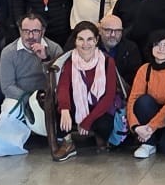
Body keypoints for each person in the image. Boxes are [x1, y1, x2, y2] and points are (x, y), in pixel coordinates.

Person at [54, 21, 125, 160]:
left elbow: (109, 96)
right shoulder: (70, 61)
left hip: (99, 107)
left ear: (96, 40)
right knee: (60, 110)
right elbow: (63, 87)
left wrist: (87, 121)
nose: (85, 44)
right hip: (78, 103)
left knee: (104, 125)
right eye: (80, 39)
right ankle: (67, 143)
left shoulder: (107, 61)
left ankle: (100, 138)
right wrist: (64, 110)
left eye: (90, 39)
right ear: (75, 41)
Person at [0, 13, 62, 142]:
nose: (30, 36)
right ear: (20, 31)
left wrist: (46, 60)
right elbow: (7, 86)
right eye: (26, 31)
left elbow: (59, 80)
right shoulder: (8, 52)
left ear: (43, 31)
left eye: (35, 31)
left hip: (47, 96)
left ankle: (58, 138)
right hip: (20, 96)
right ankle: (12, 144)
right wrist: (29, 99)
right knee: (8, 110)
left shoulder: (54, 49)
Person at [126, 30, 165, 159]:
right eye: (157, 45)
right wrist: (135, 127)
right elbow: (132, 100)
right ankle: (148, 144)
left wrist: (150, 128)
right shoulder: (144, 69)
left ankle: (154, 138)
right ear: (151, 48)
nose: (161, 49)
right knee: (143, 101)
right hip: (148, 119)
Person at [98, 14, 143, 86]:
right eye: (108, 30)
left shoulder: (131, 48)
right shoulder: (91, 46)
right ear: (99, 30)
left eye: (117, 31)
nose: (113, 35)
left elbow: (133, 76)